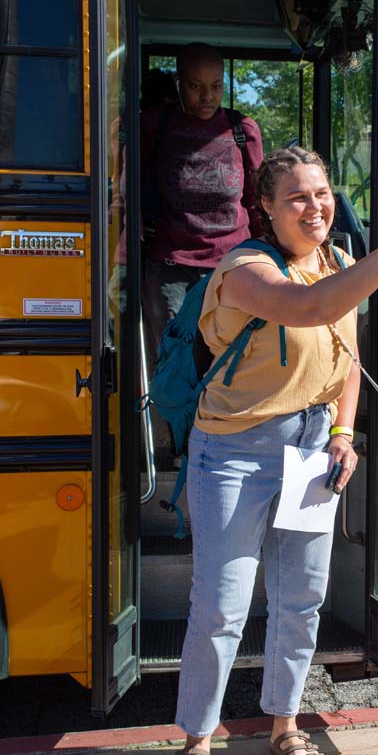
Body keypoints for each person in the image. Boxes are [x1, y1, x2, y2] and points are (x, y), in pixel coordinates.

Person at [170, 147, 378, 755]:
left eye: (322, 192)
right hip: (233, 453)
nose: (315, 206)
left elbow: (345, 356)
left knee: (301, 600)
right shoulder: (243, 269)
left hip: (309, 452)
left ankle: (284, 725)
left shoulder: (337, 263)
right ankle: (198, 738)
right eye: (297, 197)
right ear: (265, 209)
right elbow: (310, 309)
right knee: (222, 604)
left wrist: (343, 434)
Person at [139, 42, 265, 465]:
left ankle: (224, 446)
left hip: (232, 266)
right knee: (176, 362)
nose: (207, 97)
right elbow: (127, 176)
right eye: (195, 86)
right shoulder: (158, 126)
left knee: (232, 358)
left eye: (215, 86)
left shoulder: (240, 130)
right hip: (172, 264)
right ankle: (182, 448)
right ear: (178, 84)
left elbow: (255, 199)